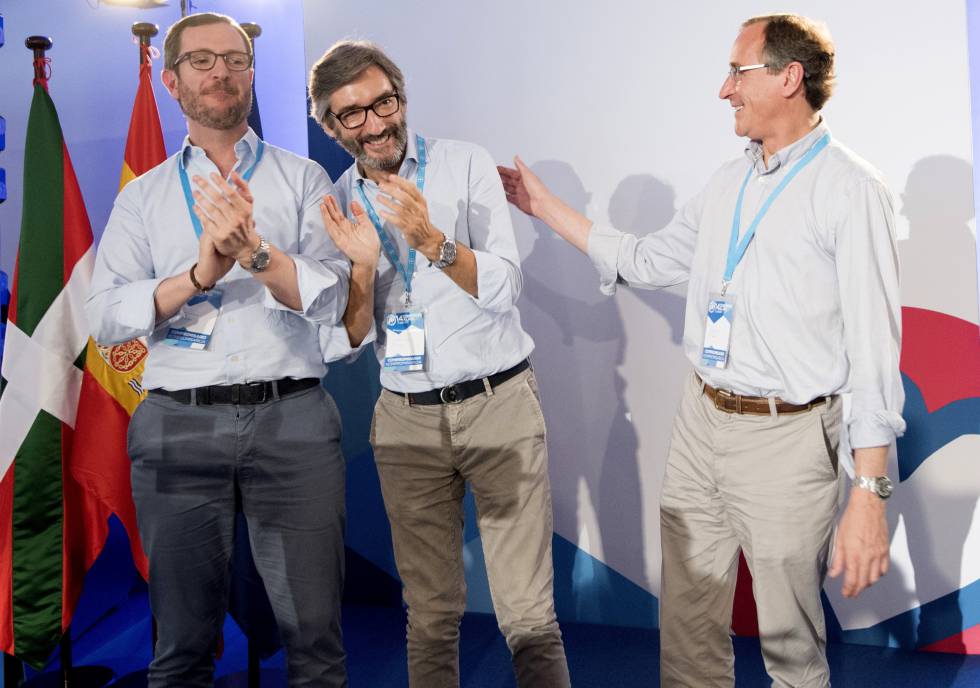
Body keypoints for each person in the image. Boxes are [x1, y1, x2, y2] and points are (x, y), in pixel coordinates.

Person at [498, 14, 905, 688]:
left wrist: (867, 495)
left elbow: (874, 356)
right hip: (700, 424)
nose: (724, 91)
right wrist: (546, 210)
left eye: (737, 73)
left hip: (788, 438)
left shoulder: (852, 191)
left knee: (791, 650)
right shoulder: (729, 183)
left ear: (787, 77)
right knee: (686, 632)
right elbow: (646, 259)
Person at [86, 13, 349, 687]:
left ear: (251, 74)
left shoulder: (303, 181)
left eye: (234, 59)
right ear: (171, 82)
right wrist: (199, 275)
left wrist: (257, 256)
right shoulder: (142, 200)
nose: (221, 72)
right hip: (177, 424)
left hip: (292, 422)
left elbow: (334, 300)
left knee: (315, 644)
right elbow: (107, 318)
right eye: (201, 61)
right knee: (180, 650)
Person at [308, 40, 571, 688]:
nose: (374, 123)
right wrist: (364, 270)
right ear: (331, 127)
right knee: (428, 615)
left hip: (498, 404)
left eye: (383, 102)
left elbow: (504, 288)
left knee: (528, 615)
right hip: (406, 422)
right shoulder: (335, 207)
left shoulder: (464, 163)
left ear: (401, 97)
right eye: (352, 115)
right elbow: (339, 344)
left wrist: (433, 241)